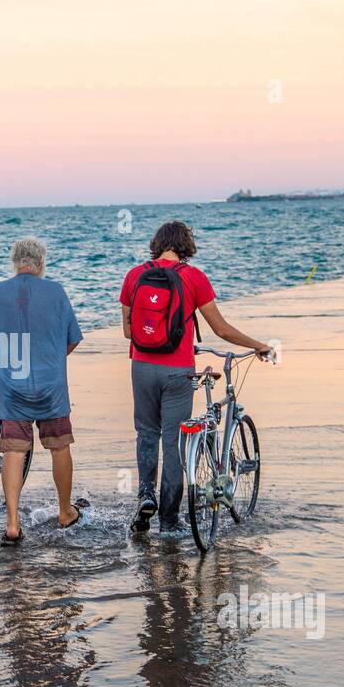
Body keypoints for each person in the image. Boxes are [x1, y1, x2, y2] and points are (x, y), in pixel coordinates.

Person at [119, 221, 272, 537]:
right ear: (187, 246)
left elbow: (129, 332)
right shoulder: (194, 277)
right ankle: (169, 521)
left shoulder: (134, 276)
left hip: (141, 367)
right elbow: (221, 329)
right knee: (174, 441)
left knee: (146, 433)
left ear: (157, 243)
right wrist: (258, 344)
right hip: (179, 371)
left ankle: (146, 495)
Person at [0, 238, 85, 546]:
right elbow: (73, 339)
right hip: (51, 386)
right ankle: (65, 512)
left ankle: (13, 524)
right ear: (40, 264)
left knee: (14, 450)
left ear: (15, 262)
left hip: (12, 388)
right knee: (59, 445)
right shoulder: (55, 292)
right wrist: (51, 359)